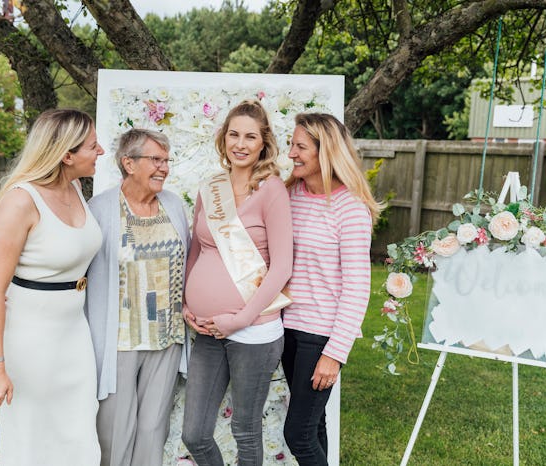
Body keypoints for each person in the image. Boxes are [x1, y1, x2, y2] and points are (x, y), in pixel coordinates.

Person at [0, 108, 105, 465]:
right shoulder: (20, 201)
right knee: (33, 437)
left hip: (74, 332)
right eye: (93, 146)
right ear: (67, 155)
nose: (102, 152)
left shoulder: (76, 188)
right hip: (30, 338)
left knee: (80, 431)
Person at [181, 99, 293, 466]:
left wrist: (241, 318)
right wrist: (187, 304)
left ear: (264, 143)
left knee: (245, 431)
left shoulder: (271, 189)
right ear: (223, 138)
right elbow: (196, 249)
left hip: (253, 331)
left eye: (250, 136)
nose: (240, 144)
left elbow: (282, 267)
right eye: (233, 134)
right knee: (194, 434)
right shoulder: (209, 188)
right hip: (209, 330)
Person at [84, 129, 191, 466]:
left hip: (167, 339)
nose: (163, 168)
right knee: (115, 431)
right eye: (155, 160)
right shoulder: (100, 209)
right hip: (119, 341)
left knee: (152, 429)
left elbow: (188, 263)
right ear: (128, 163)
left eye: (166, 160)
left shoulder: (173, 205)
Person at [282, 113, 383, 466]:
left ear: (325, 152)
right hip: (287, 329)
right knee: (313, 427)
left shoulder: (350, 207)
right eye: (291, 144)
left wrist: (335, 353)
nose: (291, 153)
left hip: (320, 335)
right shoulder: (290, 195)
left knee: (297, 435)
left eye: (300, 146)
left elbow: (358, 287)